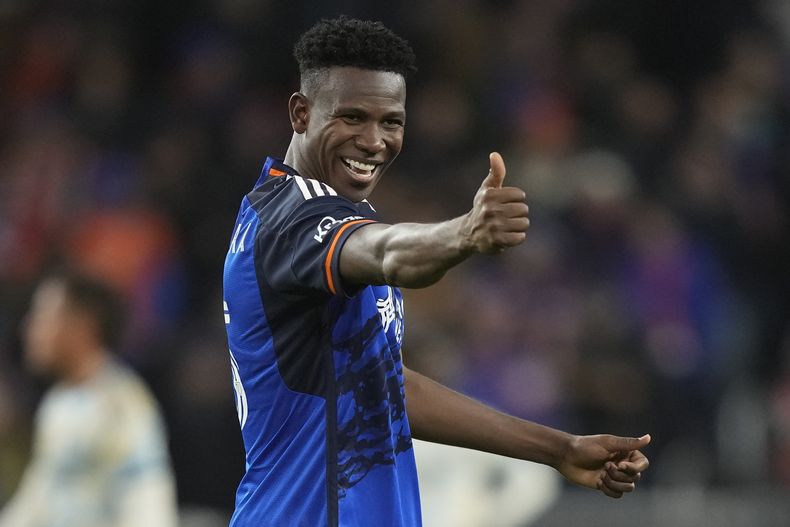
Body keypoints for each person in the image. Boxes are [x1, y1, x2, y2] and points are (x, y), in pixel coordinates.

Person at [222, 16, 650, 527]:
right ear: (301, 113)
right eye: (352, 117)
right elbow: (388, 253)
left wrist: (559, 449)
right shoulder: (292, 220)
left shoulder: (314, 214)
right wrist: (464, 233)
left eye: (391, 122)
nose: (374, 141)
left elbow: (386, 387)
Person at [0, 270, 178, 527]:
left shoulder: (119, 406)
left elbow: (147, 503)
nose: (30, 328)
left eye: (44, 317)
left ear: (83, 326)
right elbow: (37, 501)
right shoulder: (59, 404)